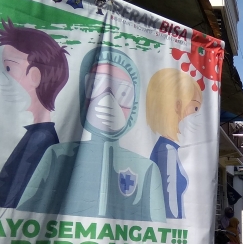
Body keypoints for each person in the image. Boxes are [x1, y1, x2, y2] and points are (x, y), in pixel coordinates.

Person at [17, 47, 167, 222]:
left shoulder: (145, 169)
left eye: (124, 93)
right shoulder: (58, 156)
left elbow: (159, 232)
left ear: (134, 105)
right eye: (96, 87)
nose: (107, 100)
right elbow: (23, 218)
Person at [0, 19, 69, 208]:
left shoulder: (40, 141)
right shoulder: (38, 136)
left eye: (9, 68)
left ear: (35, 76)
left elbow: (11, 202)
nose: (3, 77)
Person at [146, 68, 203, 219]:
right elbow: (170, 208)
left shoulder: (166, 148)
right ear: (178, 106)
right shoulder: (167, 151)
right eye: (196, 107)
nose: (199, 114)